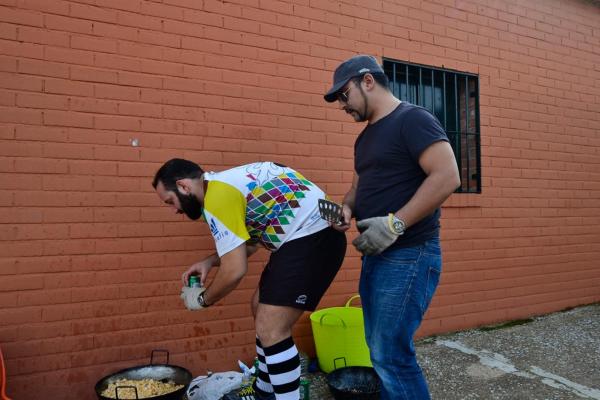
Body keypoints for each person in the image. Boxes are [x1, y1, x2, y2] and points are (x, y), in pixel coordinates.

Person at [324, 55, 461, 399]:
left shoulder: (413, 119)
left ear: (368, 81)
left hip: (410, 254)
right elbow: (357, 188)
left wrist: (395, 224)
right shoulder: (364, 139)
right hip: (376, 255)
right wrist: (346, 208)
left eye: (344, 94)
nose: (342, 105)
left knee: (391, 356)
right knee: (378, 350)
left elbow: (447, 176)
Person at [152, 159, 346, 400]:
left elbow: (234, 270)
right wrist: (209, 262)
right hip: (302, 237)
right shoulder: (221, 187)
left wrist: (201, 300)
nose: (174, 210)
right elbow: (250, 245)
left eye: (170, 201)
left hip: (313, 237)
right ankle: (263, 392)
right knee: (258, 307)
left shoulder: (217, 198)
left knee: (271, 327)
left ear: (183, 186)